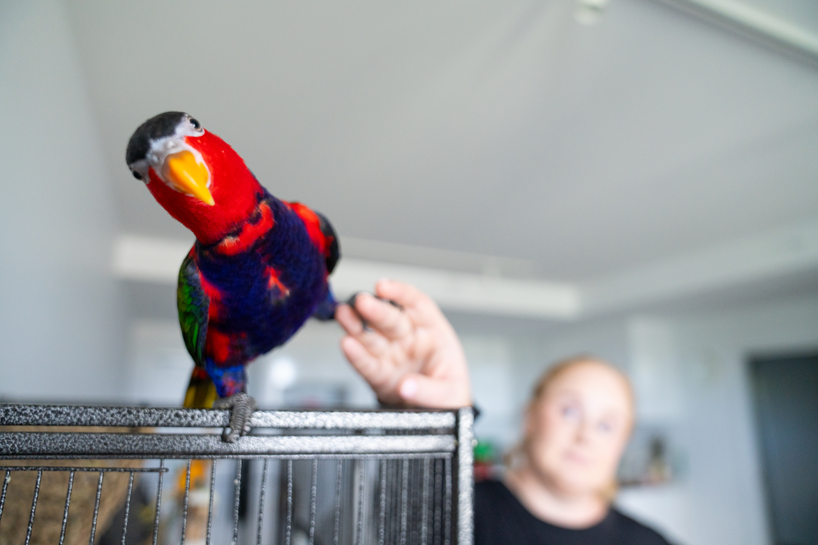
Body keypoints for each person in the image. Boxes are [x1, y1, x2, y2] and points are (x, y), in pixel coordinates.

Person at [335, 279, 672, 545]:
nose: (585, 436)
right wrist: (423, 416)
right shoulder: (459, 512)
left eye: (607, 425)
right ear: (530, 416)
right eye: (570, 411)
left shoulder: (651, 542)